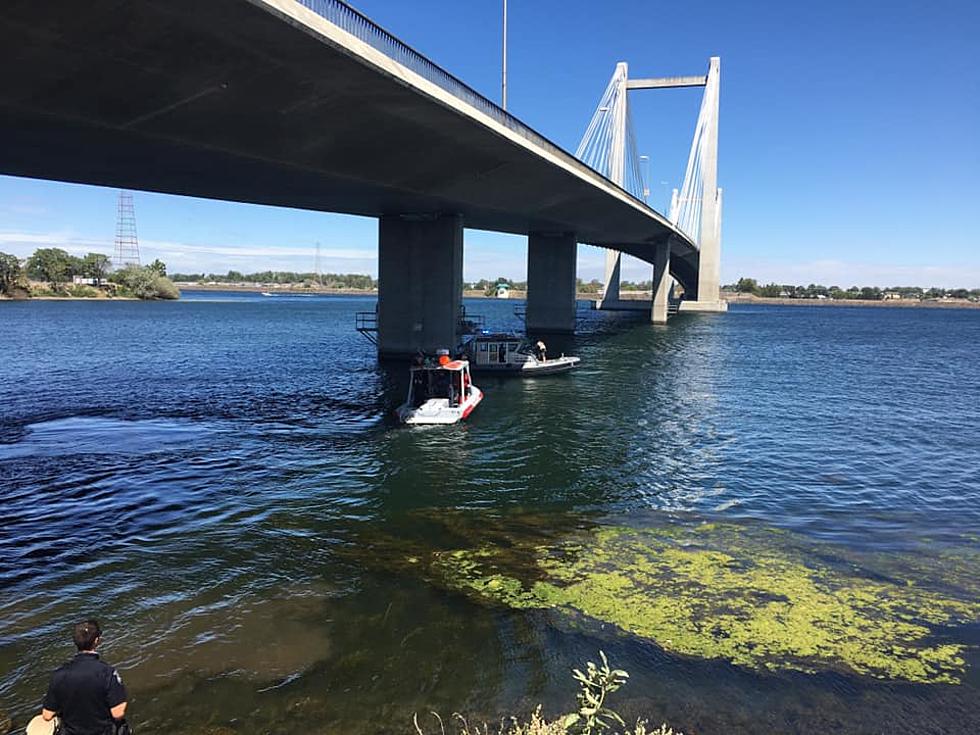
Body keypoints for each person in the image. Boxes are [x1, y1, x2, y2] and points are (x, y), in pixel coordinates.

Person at [41, 620, 129, 735]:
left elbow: (47, 715)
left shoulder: (59, 674)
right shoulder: (107, 672)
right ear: (97, 641)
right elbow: (118, 713)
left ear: (75, 642)